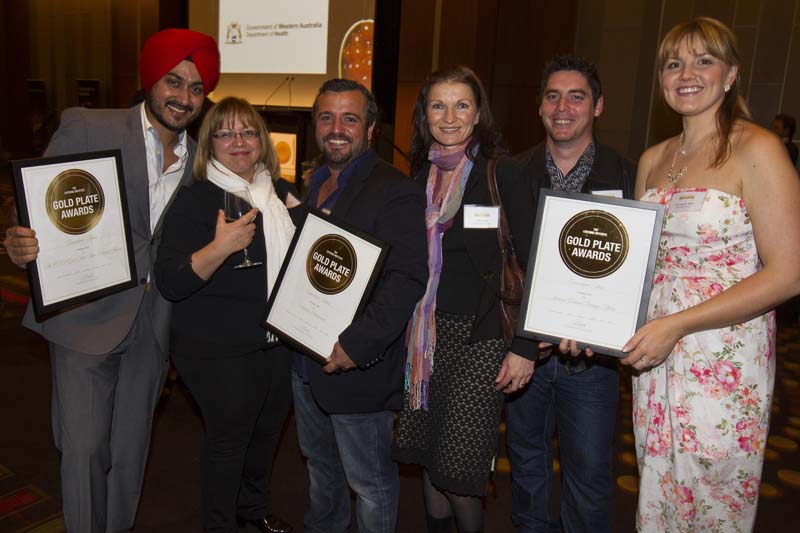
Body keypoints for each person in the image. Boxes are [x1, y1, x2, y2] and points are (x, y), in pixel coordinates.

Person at [2, 29, 220, 532]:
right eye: (173, 81)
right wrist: (18, 237)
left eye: (195, 88)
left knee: (128, 453)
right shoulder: (88, 126)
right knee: (83, 450)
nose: (183, 97)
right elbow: (40, 198)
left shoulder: (200, 162)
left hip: (152, 324)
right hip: (83, 314)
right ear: (151, 80)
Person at [621, 17, 800, 531]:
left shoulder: (758, 149)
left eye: (704, 61)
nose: (686, 74)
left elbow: (788, 273)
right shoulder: (652, 159)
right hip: (655, 353)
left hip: (723, 355)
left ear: (731, 74)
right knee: (659, 491)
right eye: (673, 63)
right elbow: (638, 267)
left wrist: (678, 325)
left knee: (713, 499)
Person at [391, 65, 537, 533]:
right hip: (426, 335)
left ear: (478, 115)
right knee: (430, 454)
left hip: (482, 337)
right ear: (425, 115)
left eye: (461, 105)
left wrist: (525, 347)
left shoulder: (501, 173)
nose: (449, 117)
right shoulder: (421, 176)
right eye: (438, 105)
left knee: (459, 469)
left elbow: (533, 263)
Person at [291, 79, 428, 533]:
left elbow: (407, 279)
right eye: (326, 118)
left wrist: (357, 345)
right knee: (320, 469)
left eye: (349, 119)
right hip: (303, 362)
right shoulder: (314, 183)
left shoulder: (395, 189)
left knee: (370, 485)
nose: (336, 129)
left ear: (370, 129)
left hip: (354, 365)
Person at [505, 54, 634, 533]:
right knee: (526, 464)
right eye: (552, 96)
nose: (563, 108)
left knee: (590, 475)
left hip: (594, 362)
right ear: (540, 107)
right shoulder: (509, 174)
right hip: (525, 353)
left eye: (576, 97)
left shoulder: (629, 176)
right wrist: (521, 341)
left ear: (597, 106)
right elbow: (500, 263)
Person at [154, 97, 294, 533]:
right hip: (216, 348)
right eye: (225, 133)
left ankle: (253, 507)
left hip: (275, 340)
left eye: (248, 132)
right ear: (209, 144)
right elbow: (171, 281)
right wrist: (220, 248)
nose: (239, 141)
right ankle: (219, 525)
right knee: (230, 439)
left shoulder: (279, 194)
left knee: (267, 432)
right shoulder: (195, 198)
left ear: (262, 140)